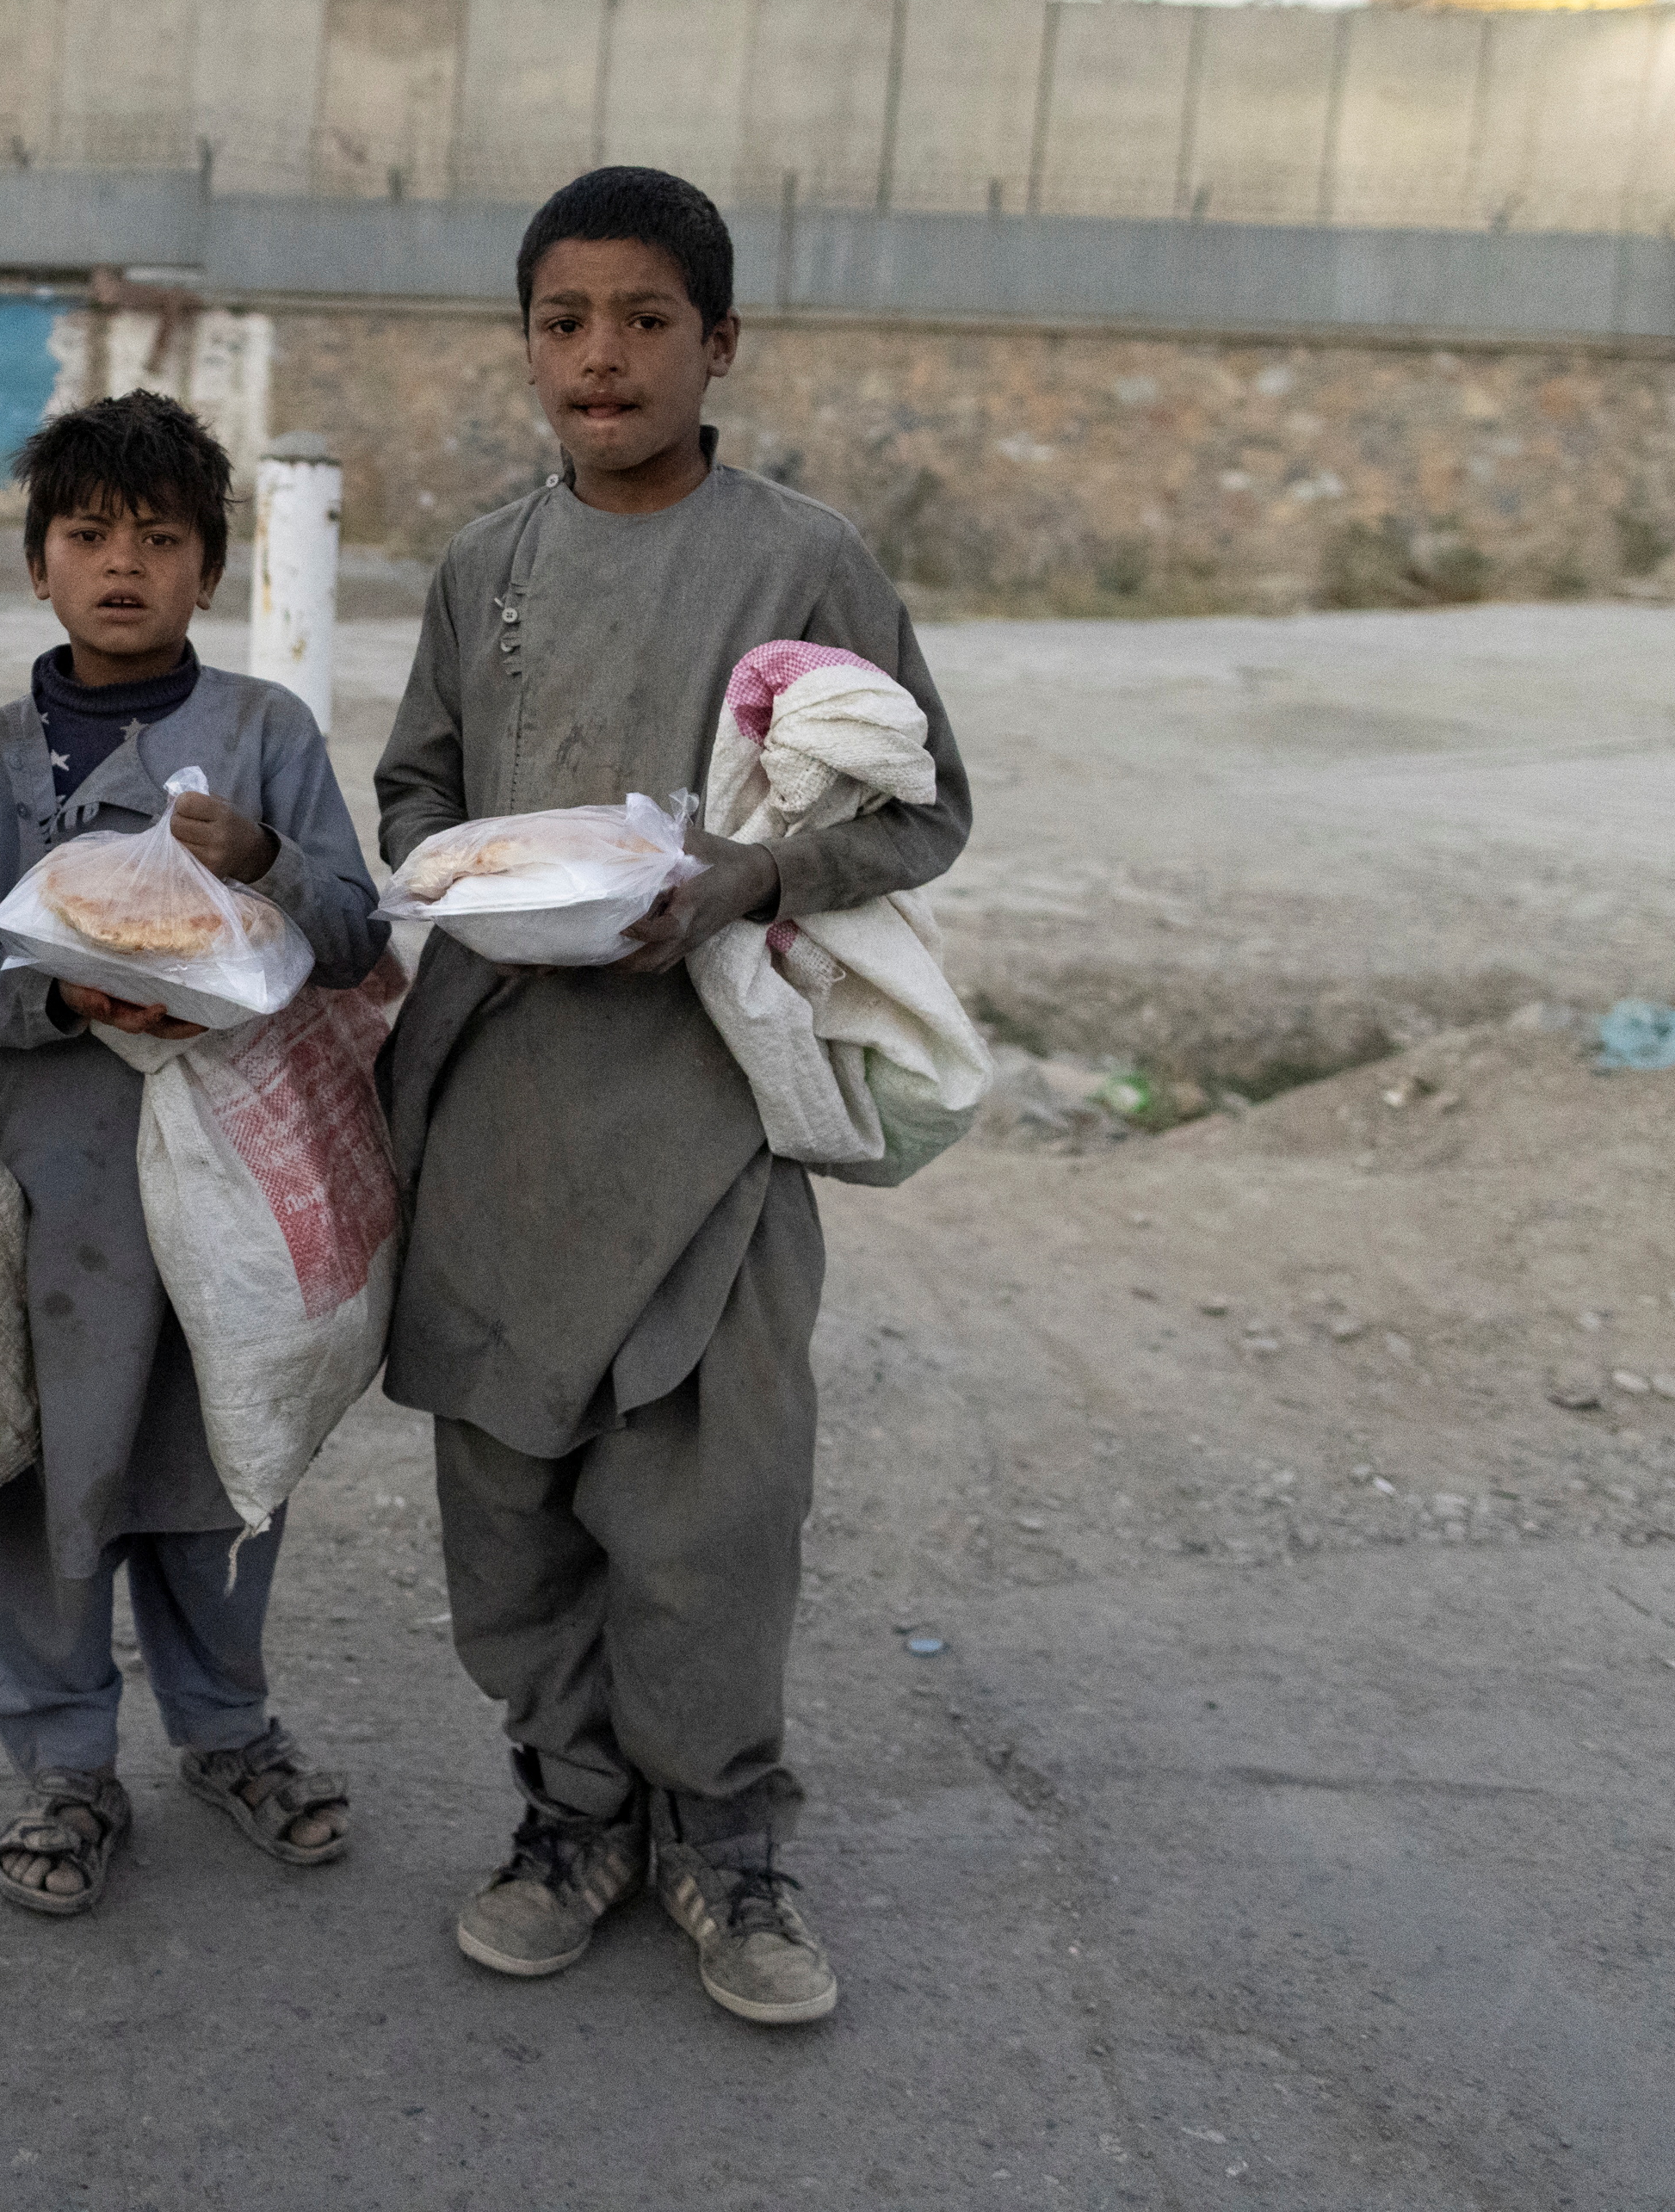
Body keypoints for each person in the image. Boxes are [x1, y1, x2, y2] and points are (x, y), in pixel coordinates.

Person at [371, 167, 970, 2029]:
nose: (601, 358)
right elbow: (413, 789)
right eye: (565, 323)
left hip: (711, 1120)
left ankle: (727, 1842)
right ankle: (572, 1819)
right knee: (511, 1500)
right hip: (494, 1114)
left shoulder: (804, 563)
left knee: (710, 1513)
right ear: (528, 345)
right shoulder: (487, 569)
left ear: (718, 345)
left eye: (644, 322)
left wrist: (745, 881)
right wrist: (462, 869)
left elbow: (919, 800)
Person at [0, 390, 389, 1917]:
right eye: (89, 535)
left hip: (241, 1151)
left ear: (210, 572)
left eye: (160, 540)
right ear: (37, 565)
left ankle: (230, 1731)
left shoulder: (263, 738)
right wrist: (53, 994)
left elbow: (361, 933)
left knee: (228, 1432)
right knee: (55, 1450)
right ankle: (62, 1760)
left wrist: (271, 864)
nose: (124, 566)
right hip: (59, 1168)